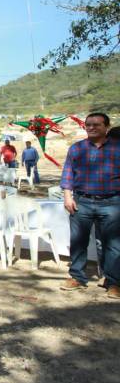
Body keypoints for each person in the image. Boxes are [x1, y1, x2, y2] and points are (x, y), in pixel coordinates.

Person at [60, 112, 120, 299]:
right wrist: (67, 197)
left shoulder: (117, 148)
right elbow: (68, 174)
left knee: (113, 245)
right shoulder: (77, 149)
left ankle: (113, 282)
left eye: (97, 124)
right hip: (81, 202)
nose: (92, 127)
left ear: (106, 127)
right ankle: (77, 277)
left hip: (111, 202)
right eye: (88, 125)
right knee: (78, 242)